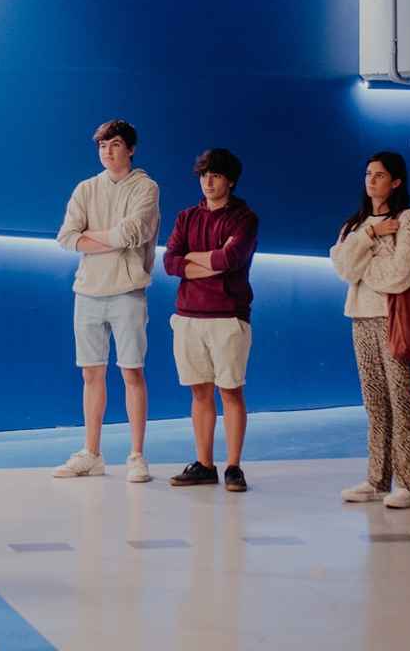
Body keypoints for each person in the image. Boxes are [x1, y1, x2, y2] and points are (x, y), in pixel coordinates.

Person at [52, 119, 161, 482]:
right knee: (91, 373)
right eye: (102, 146)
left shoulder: (146, 187)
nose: (108, 152)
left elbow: (133, 233)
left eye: (115, 144)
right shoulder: (86, 189)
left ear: (130, 149)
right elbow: (67, 237)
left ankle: (136, 455)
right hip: (87, 291)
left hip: (128, 291)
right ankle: (92, 453)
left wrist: (92, 237)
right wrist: (109, 238)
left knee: (132, 372)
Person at [330, 151, 410, 509]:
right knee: (374, 403)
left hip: (395, 319)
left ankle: (408, 483)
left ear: (396, 181)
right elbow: (343, 269)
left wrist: (362, 265)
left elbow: (403, 272)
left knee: (402, 401)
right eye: (368, 173)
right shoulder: (355, 224)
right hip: (361, 318)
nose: (371, 180)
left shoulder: (408, 219)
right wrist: (369, 235)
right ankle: (377, 479)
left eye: (380, 175)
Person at [163, 148, 259, 493]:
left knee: (231, 392)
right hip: (188, 316)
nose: (208, 181)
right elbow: (170, 263)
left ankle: (234, 467)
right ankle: (204, 465)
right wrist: (209, 261)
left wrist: (194, 259)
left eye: (216, 175)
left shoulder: (244, 218)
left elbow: (230, 259)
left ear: (230, 180)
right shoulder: (187, 217)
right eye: (204, 175)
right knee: (199, 392)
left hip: (228, 317)